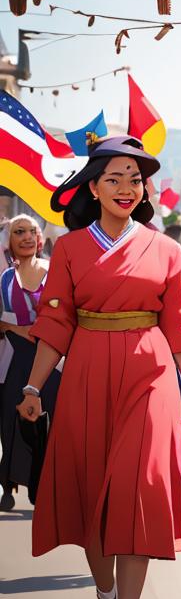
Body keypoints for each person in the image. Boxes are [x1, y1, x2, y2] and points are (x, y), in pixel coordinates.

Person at [18, 136, 181, 599]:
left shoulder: (167, 249)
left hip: (150, 372)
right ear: (94, 187)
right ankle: (105, 591)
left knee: (139, 485)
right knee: (90, 488)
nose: (127, 188)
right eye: (115, 179)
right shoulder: (72, 249)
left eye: (135, 179)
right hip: (85, 369)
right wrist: (33, 388)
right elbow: (55, 323)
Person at [0, 216, 60, 511]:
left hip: (52, 358)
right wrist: (14, 328)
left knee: (51, 420)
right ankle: (8, 482)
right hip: (15, 356)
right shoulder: (3, 279)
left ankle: (44, 483)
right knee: (12, 419)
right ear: (8, 241)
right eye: (18, 232)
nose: (25, 237)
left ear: (39, 238)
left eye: (31, 232)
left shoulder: (56, 272)